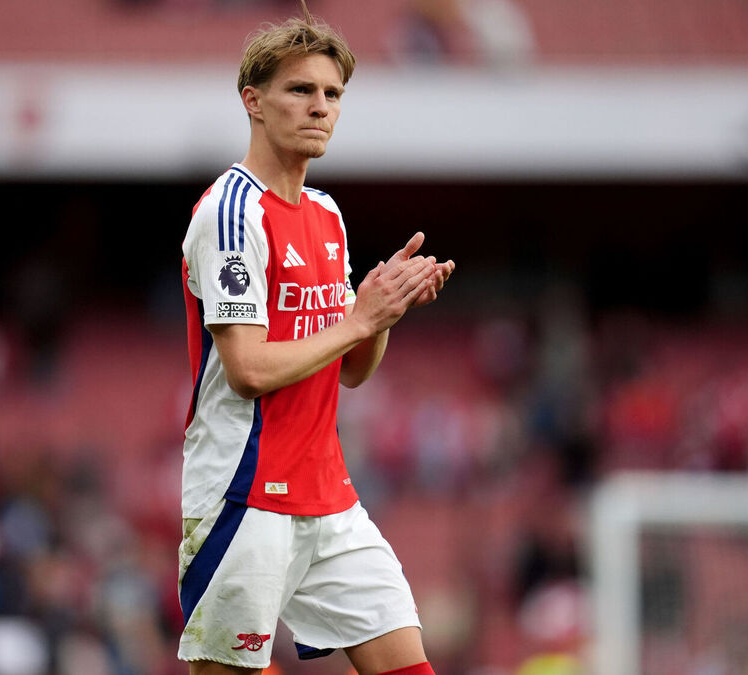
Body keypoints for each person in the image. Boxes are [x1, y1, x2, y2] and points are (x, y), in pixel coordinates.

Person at [177, 2, 455, 672]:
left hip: (330, 498)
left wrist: (379, 314)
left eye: (332, 94)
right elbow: (246, 369)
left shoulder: (327, 213)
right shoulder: (231, 212)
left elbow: (351, 369)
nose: (320, 107)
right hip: (245, 493)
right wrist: (356, 320)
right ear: (254, 101)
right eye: (300, 89)